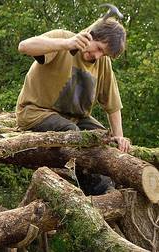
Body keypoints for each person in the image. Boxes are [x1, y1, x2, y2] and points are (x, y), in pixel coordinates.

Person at [16, 18, 131, 194]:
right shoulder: (63, 39)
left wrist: (119, 138)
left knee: (103, 139)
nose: (98, 56)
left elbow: (113, 105)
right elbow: (24, 46)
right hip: (36, 113)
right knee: (74, 135)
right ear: (91, 35)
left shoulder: (102, 64)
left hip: (76, 118)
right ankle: (100, 192)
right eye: (99, 48)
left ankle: (114, 187)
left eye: (104, 54)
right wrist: (65, 43)